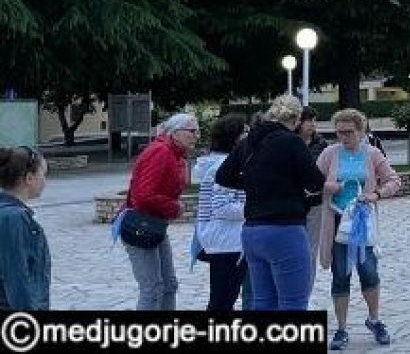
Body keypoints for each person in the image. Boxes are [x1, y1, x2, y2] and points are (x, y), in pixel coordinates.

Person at [216, 95, 324, 311]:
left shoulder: (248, 142)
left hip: (252, 231)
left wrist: (254, 184)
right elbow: (315, 182)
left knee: (263, 301)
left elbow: (223, 176)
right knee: (293, 302)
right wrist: (288, 185)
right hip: (285, 229)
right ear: (296, 119)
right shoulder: (291, 141)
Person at [316, 109, 401, 350]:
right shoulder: (330, 154)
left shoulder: (372, 154)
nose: (343, 137)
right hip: (337, 222)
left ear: (361, 131)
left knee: (369, 272)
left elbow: (394, 180)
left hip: (362, 222)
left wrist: (376, 194)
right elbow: (312, 180)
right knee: (340, 275)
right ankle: (341, 328)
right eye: (339, 132)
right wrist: (329, 186)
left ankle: (374, 319)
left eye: (349, 132)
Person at [124, 113, 198, 310]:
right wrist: (174, 207)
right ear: (175, 132)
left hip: (155, 224)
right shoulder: (160, 152)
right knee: (152, 288)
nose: (196, 136)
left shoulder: (174, 154)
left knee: (169, 285)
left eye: (196, 131)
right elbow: (142, 196)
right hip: (141, 225)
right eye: (192, 131)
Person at [193, 115, 248, 310]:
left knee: (223, 298)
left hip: (221, 238)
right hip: (227, 240)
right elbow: (222, 206)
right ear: (234, 138)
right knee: (222, 300)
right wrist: (255, 208)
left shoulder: (218, 164)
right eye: (245, 132)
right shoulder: (224, 166)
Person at [0, 146, 50, 310]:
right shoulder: (13, 219)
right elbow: (17, 278)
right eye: (43, 174)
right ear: (29, 178)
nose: (45, 181)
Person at [298, 108, 328, 282]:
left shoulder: (321, 144)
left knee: (310, 249)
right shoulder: (290, 142)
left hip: (315, 203)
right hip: (294, 203)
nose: (312, 124)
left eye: (314, 120)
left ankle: (306, 288)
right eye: (308, 120)